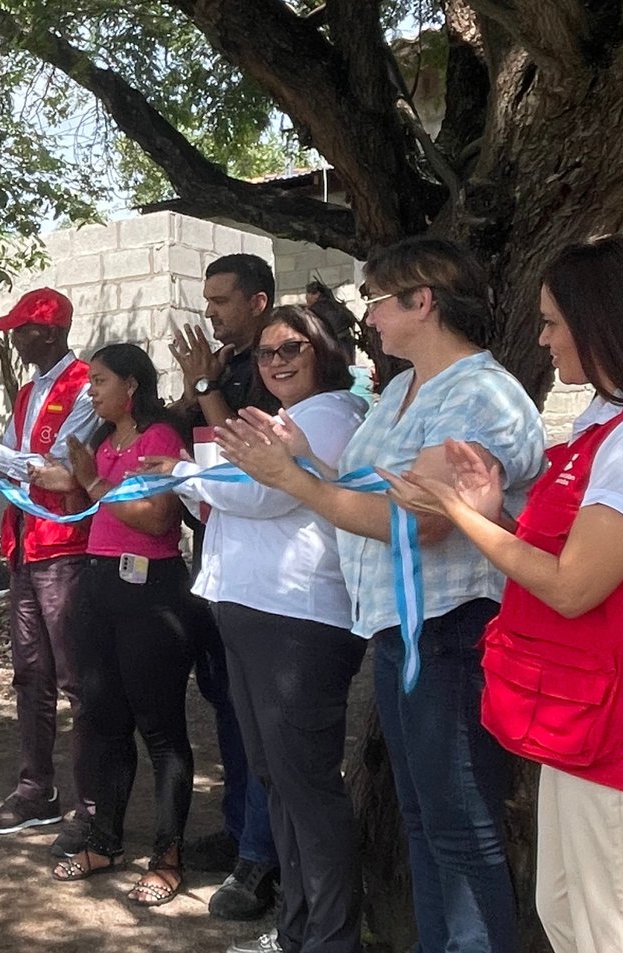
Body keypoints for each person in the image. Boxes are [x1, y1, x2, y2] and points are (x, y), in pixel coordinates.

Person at [220, 237, 545, 953]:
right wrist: (303, 459)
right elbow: (367, 487)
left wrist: (293, 480)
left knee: (461, 831)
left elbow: (423, 522)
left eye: (377, 301)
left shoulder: (479, 394)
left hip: (452, 627)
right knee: (425, 821)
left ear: (422, 301)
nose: (368, 317)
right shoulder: (402, 389)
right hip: (402, 627)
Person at [384, 235, 623, 953]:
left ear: (603, 323)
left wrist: (456, 513)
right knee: (566, 912)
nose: (543, 338)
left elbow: (573, 586)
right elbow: (564, 557)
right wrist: (492, 516)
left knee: (615, 930)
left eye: (553, 322)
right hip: (581, 720)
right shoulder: (607, 431)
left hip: (621, 729)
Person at [149, 307, 368, 952]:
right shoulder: (283, 417)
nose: (276, 361)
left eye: (291, 348)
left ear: (324, 350)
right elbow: (224, 488)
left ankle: (331, 940)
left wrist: (179, 474)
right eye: (267, 352)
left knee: (307, 787)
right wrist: (198, 478)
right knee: (276, 780)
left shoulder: (330, 415)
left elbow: (258, 492)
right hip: (253, 610)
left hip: (298, 619)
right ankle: (297, 931)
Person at [28, 344, 196, 908]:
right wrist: (9, 464)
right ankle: (105, 843)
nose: (91, 391)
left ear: (131, 385)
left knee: (161, 730)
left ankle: (168, 858)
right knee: (104, 720)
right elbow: (73, 483)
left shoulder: (160, 437)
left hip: (151, 593)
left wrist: (92, 483)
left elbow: (157, 517)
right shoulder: (102, 441)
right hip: (99, 585)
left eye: (99, 381)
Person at [0, 288, 97, 851]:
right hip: (27, 547)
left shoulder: (86, 384)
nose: (14, 339)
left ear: (50, 332)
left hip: (67, 546)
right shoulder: (29, 392)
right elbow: (13, 465)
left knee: (76, 678)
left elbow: (59, 468)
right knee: (30, 674)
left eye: (22, 330)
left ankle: (92, 804)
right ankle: (36, 790)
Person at [167, 253, 281, 917]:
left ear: (258, 301)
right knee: (228, 707)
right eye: (207, 300)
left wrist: (207, 385)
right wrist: (192, 393)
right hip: (217, 559)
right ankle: (241, 828)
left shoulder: (274, 368)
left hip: (267, 574)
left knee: (261, 718)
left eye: (221, 300)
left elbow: (242, 454)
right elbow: (189, 439)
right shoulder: (226, 365)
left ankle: (262, 855)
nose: (209, 312)